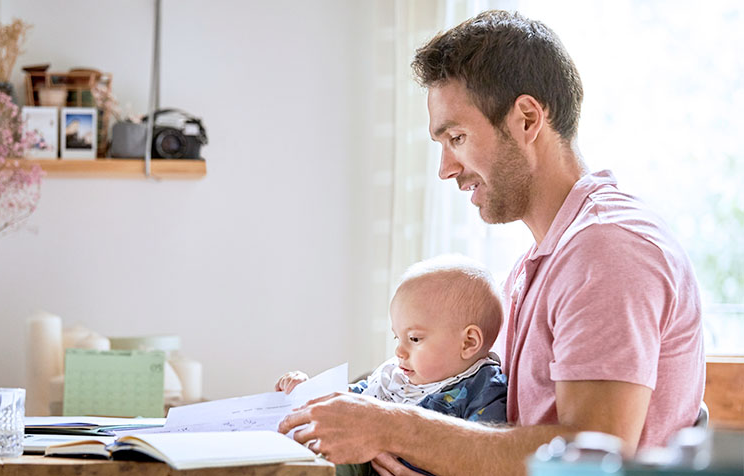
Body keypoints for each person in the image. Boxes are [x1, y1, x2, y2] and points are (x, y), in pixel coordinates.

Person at [279, 9, 705, 476]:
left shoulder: (606, 250)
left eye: (457, 137)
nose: (445, 168)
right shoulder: (544, 259)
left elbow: (592, 458)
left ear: (526, 119)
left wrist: (394, 428)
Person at [276, 255, 508, 475]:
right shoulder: (398, 375)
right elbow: (351, 401)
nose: (399, 351)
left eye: (415, 339)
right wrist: (308, 391)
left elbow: (485, 455)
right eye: (398, 338)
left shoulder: (484, 390)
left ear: (468, 342)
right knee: (312, 446)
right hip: (362, 460)